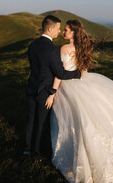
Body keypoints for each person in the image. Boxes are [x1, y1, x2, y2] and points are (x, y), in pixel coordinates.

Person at [46, 19, 113, 183]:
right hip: (85, 81)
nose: (63, 32)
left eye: (66, 30)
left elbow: (59, 73)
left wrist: (53, 92)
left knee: (74, 119)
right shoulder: (83, 47)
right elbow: (83, 70)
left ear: (73, 32)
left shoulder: (64, 48)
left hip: (69, 86)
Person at [23, 15, 81, 156]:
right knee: (42, 121)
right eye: (57, 28)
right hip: (45, 90)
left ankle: (26, 148)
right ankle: (36, 150)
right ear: (50, 29)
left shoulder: (32, 45)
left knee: (31, 119)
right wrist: (76, 74)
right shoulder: (53, 50)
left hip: (31, 86)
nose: (59, 31)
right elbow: (60, 73)